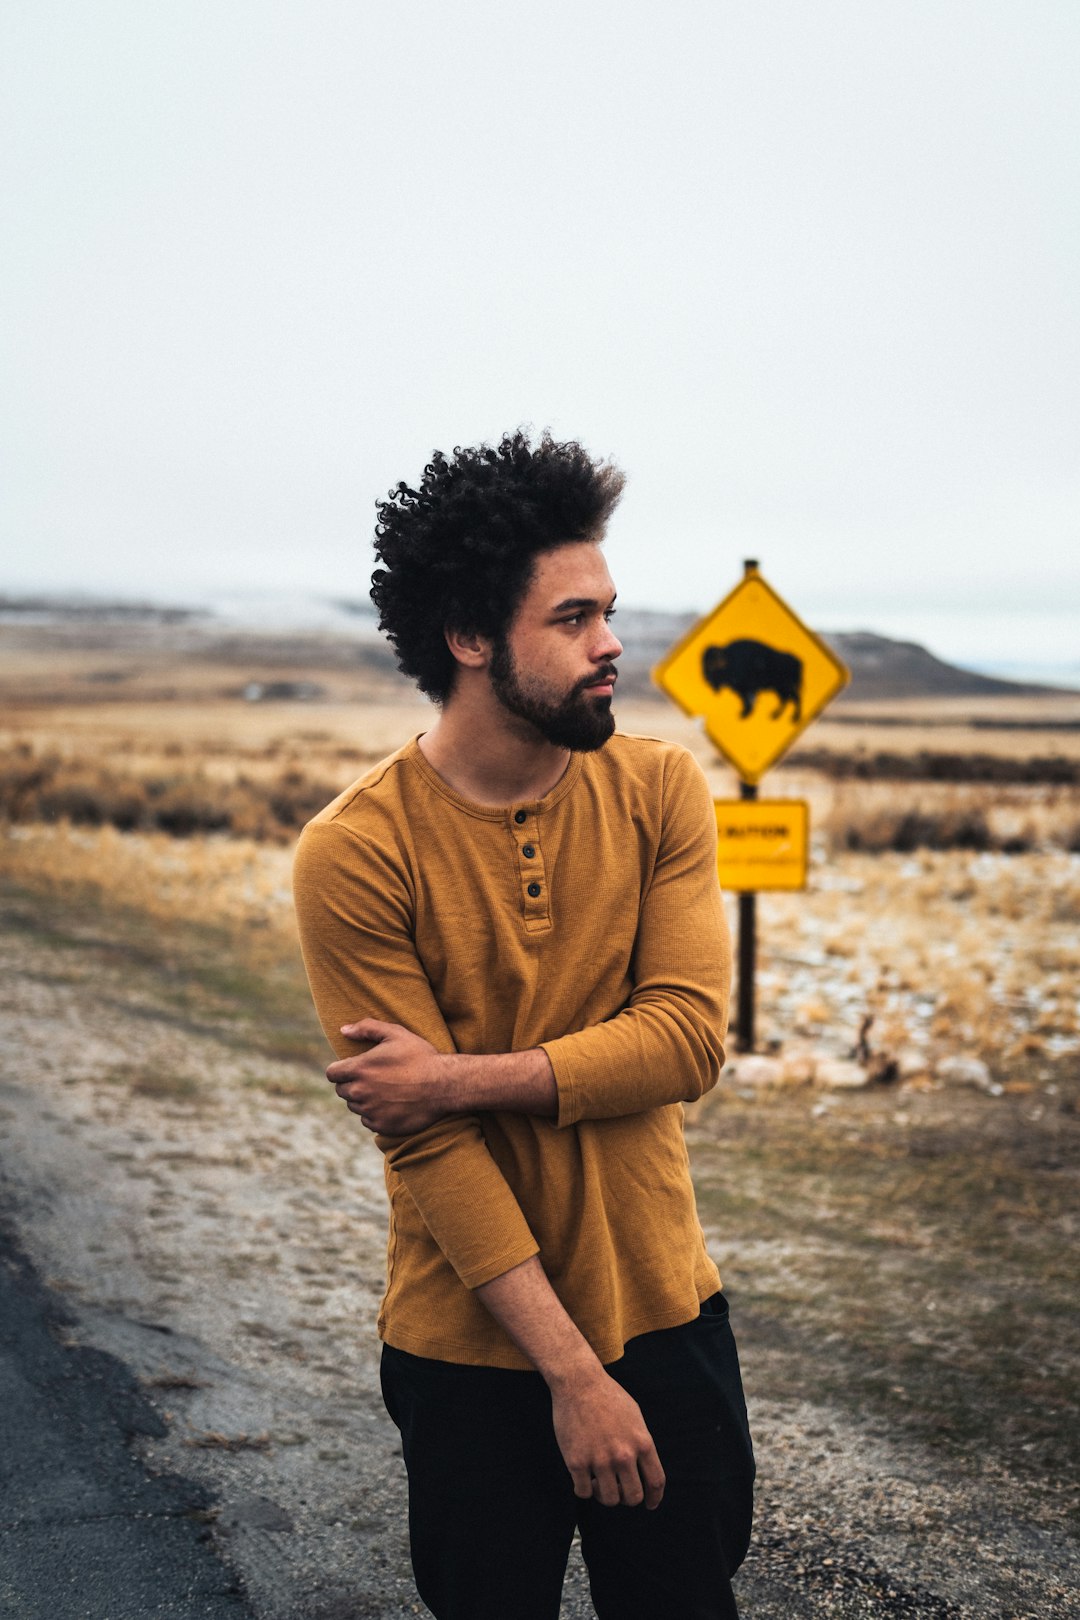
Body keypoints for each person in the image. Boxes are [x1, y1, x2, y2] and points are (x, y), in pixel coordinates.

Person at [292, 430, 754, 1620]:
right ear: (468, 637)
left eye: (610, 610)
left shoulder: (659, 790)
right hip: (469, 1351)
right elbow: (426, 1149)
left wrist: (450, 1080)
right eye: (573, 618)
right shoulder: (356, 851)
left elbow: (686, 1041)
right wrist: (570, 1377)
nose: (612, 646)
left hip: (663, 1311)